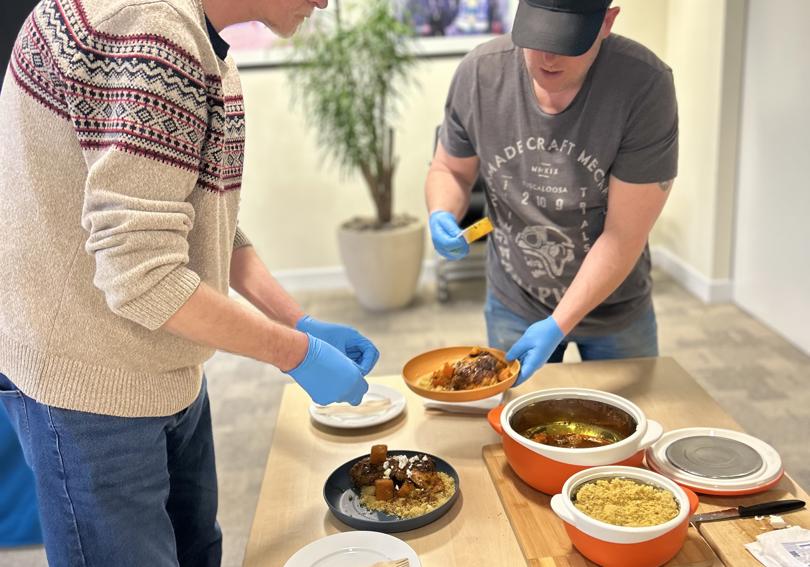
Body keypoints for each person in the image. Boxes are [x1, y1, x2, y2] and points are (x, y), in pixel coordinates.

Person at [0, 0, 378, 565]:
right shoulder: (149, 30)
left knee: (199, 550)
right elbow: (142, 273)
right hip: (90, 384)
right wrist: (295, 353)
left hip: (161, 361)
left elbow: (193, 218)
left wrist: (296, 318)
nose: (326, 1)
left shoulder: (200, 41)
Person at [425, 0, 678, 384]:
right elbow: (450, 170)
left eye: (568, 41)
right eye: (537, 36)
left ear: (606, 23)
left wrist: (558, 323)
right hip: (514, 298)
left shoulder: (644, 85)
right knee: (517, 424)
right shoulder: (479, 75)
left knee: (629, 425)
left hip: (615, 306)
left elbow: (623, 234)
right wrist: (442, 211)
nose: (548, 57)